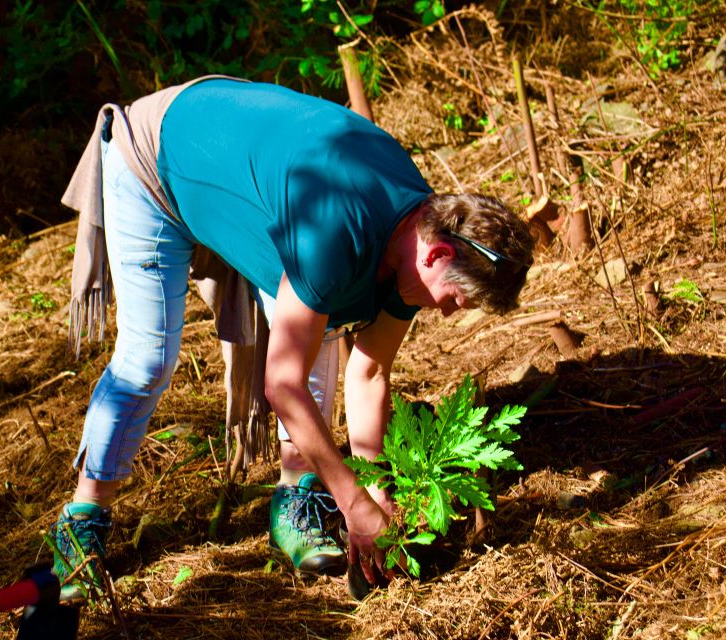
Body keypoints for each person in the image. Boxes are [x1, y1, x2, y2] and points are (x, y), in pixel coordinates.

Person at [55, 76, 534, 593]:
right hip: (157, 159)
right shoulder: (339, 230)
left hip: (251, 187)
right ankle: (83, 520)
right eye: (454, 299)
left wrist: (373, 489)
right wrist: (351, 504)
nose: (445, 312)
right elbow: (281, 383)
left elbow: (369, 370)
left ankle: (294, 498)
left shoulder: (417, 238)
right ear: (437, 255)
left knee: (324, 333)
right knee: (148, 358)